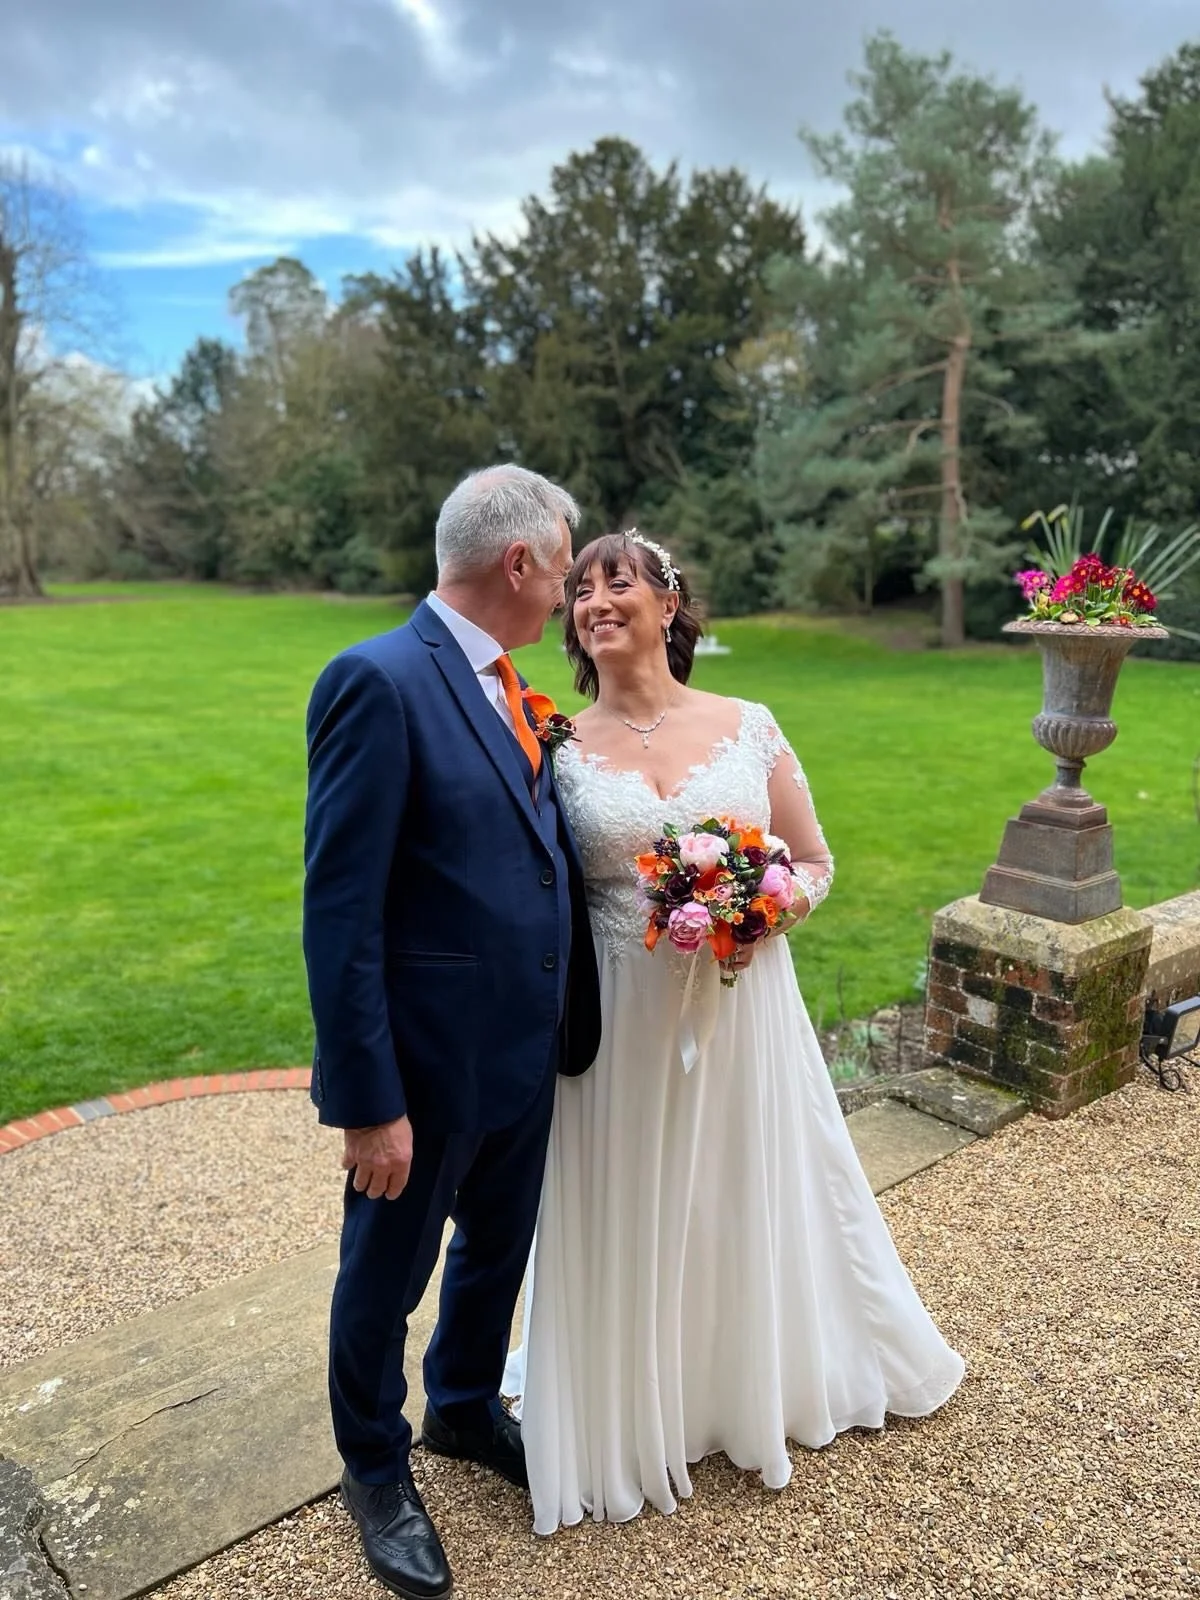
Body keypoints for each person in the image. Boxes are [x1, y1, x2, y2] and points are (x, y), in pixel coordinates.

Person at [504, 531, 965, 1536]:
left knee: (735, 1179)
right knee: (632, 1185)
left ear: (669, 604)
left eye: (617, 582)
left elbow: (814, 860)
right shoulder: (556, 746)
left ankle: (739, 1381)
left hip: (743, 1003)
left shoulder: (748, 725)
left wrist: (762, 910)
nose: (595, 601)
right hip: (618, 1011)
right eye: (580, 590)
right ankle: (631, 1398)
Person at [302, 465, 601, 1599]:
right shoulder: (377, 680)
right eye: (562, 569)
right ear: (517, 563)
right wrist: (369, 1101)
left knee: (495, 1250)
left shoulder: (509, 684)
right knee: (385, 1272)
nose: (567, 592)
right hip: (422, 1067)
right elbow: (340, 913)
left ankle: (465, 1408)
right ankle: (376, 1469)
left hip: (526, 1046)